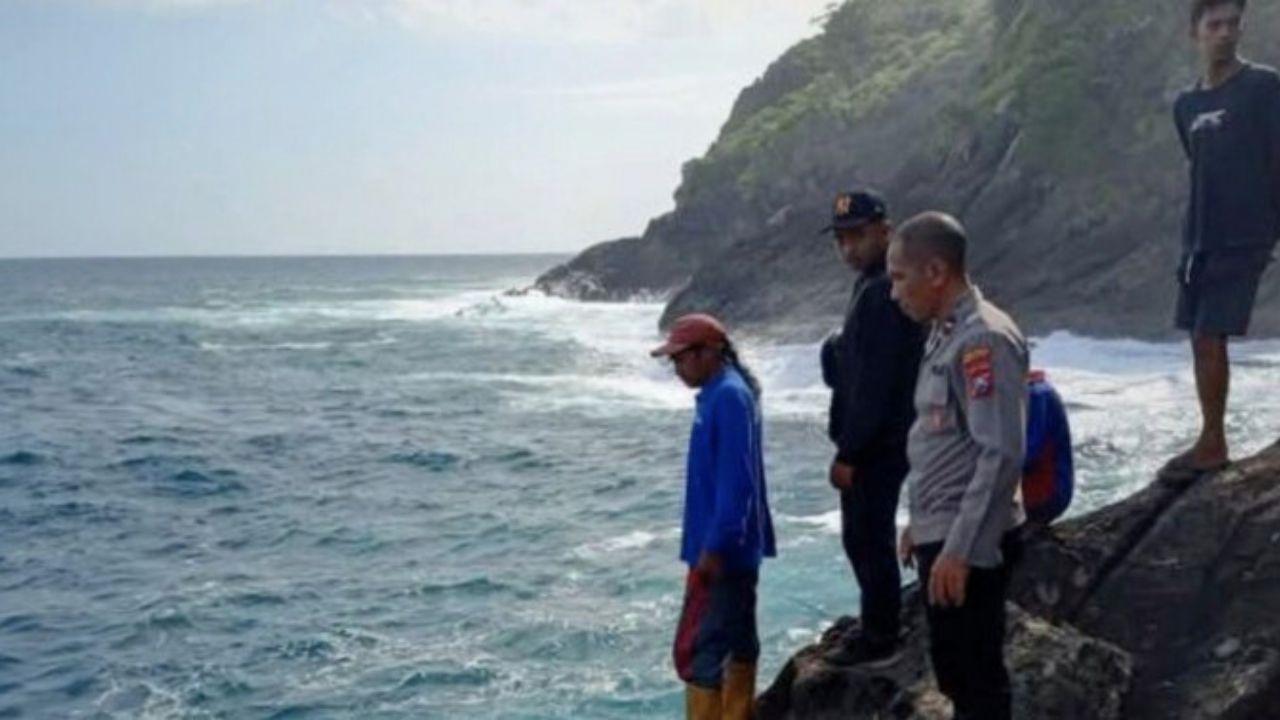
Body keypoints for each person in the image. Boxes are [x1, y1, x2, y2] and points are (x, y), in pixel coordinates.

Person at [886, 212, 1027, 720]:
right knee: (955, 672)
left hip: (967, 541)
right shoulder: (944, 333)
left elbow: (1001, 452)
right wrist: (918, 524)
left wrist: (959, 550)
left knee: (975, 679)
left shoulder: (981, 339)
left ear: (936, 271)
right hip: (941, 529)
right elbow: (940, 440)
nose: (894, 292)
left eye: (900, 277)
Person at [1163, 0, 1280, 481]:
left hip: (1245, 232)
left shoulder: (1263, 87)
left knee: (1211, 333)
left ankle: (1212, 444)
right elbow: (1200, 164)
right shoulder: (1185, 105)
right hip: (1201, 235)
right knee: (1199, 336)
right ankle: (1212, 435)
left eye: (1234, 24)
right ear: (1196, 32)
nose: (1226, 33)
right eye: (1216, 25)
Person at [652, 313, 777, 720]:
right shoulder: (721, 393)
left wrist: (716, 545)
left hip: (722, 552)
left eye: (681, 358)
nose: (676, 367)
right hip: (729, 548)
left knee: (701, 653)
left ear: (709, 353)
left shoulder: (728, 397)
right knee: (739, 639)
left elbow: (736, 483)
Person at [818, 190, 925, 666]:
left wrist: (850, 453)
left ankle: (881, 635)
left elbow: (875, 382)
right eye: (841, 238)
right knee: (865, 534)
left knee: (866, 535)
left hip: (878, 443)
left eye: (857, 235)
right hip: (884, 436)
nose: (848, 247)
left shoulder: (882, 289)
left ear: (886, 230)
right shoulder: (873, 283)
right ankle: (878, 622)